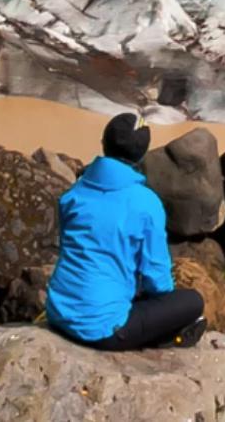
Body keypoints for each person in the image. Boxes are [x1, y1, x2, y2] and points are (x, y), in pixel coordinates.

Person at [43, 113, 207, 351]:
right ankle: (167, 337)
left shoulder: (75, 193)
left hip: (58, 314)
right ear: (142, 155)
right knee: (193, 301)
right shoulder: (145, 203)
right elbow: (157, 280)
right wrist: (162, 302)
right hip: (102, 331)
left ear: (103, 143)